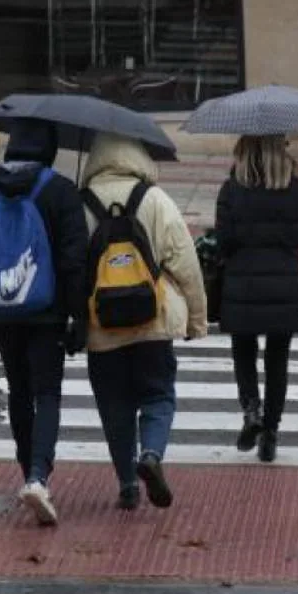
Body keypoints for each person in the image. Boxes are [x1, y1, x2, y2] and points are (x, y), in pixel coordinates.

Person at [0, 118, 89, 525]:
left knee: (18, 389)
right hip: (49, 312)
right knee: (47, 393)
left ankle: (25, 468)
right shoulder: (61, 191)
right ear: (49, 152)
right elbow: (73, 260)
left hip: (3, 309)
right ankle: (38, 476)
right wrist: (78, 315)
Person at [79, 132, 208, 510]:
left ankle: (126, 485)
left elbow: (70, 266)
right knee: (158, 394)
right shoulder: (154, 199)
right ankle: (151, 453)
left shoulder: (80, 202)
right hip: (154, 320)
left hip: (103, 327)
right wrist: (197, 319)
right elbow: (185, 262)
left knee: (114, 405)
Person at [215, 135, 298, 463]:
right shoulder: (296, 188)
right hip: (284, 285)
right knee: (278, 357)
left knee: (243, 350)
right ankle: (271, 431)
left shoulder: (232, 190)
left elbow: (224, 240)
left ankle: (251, 410)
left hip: (242, 285)